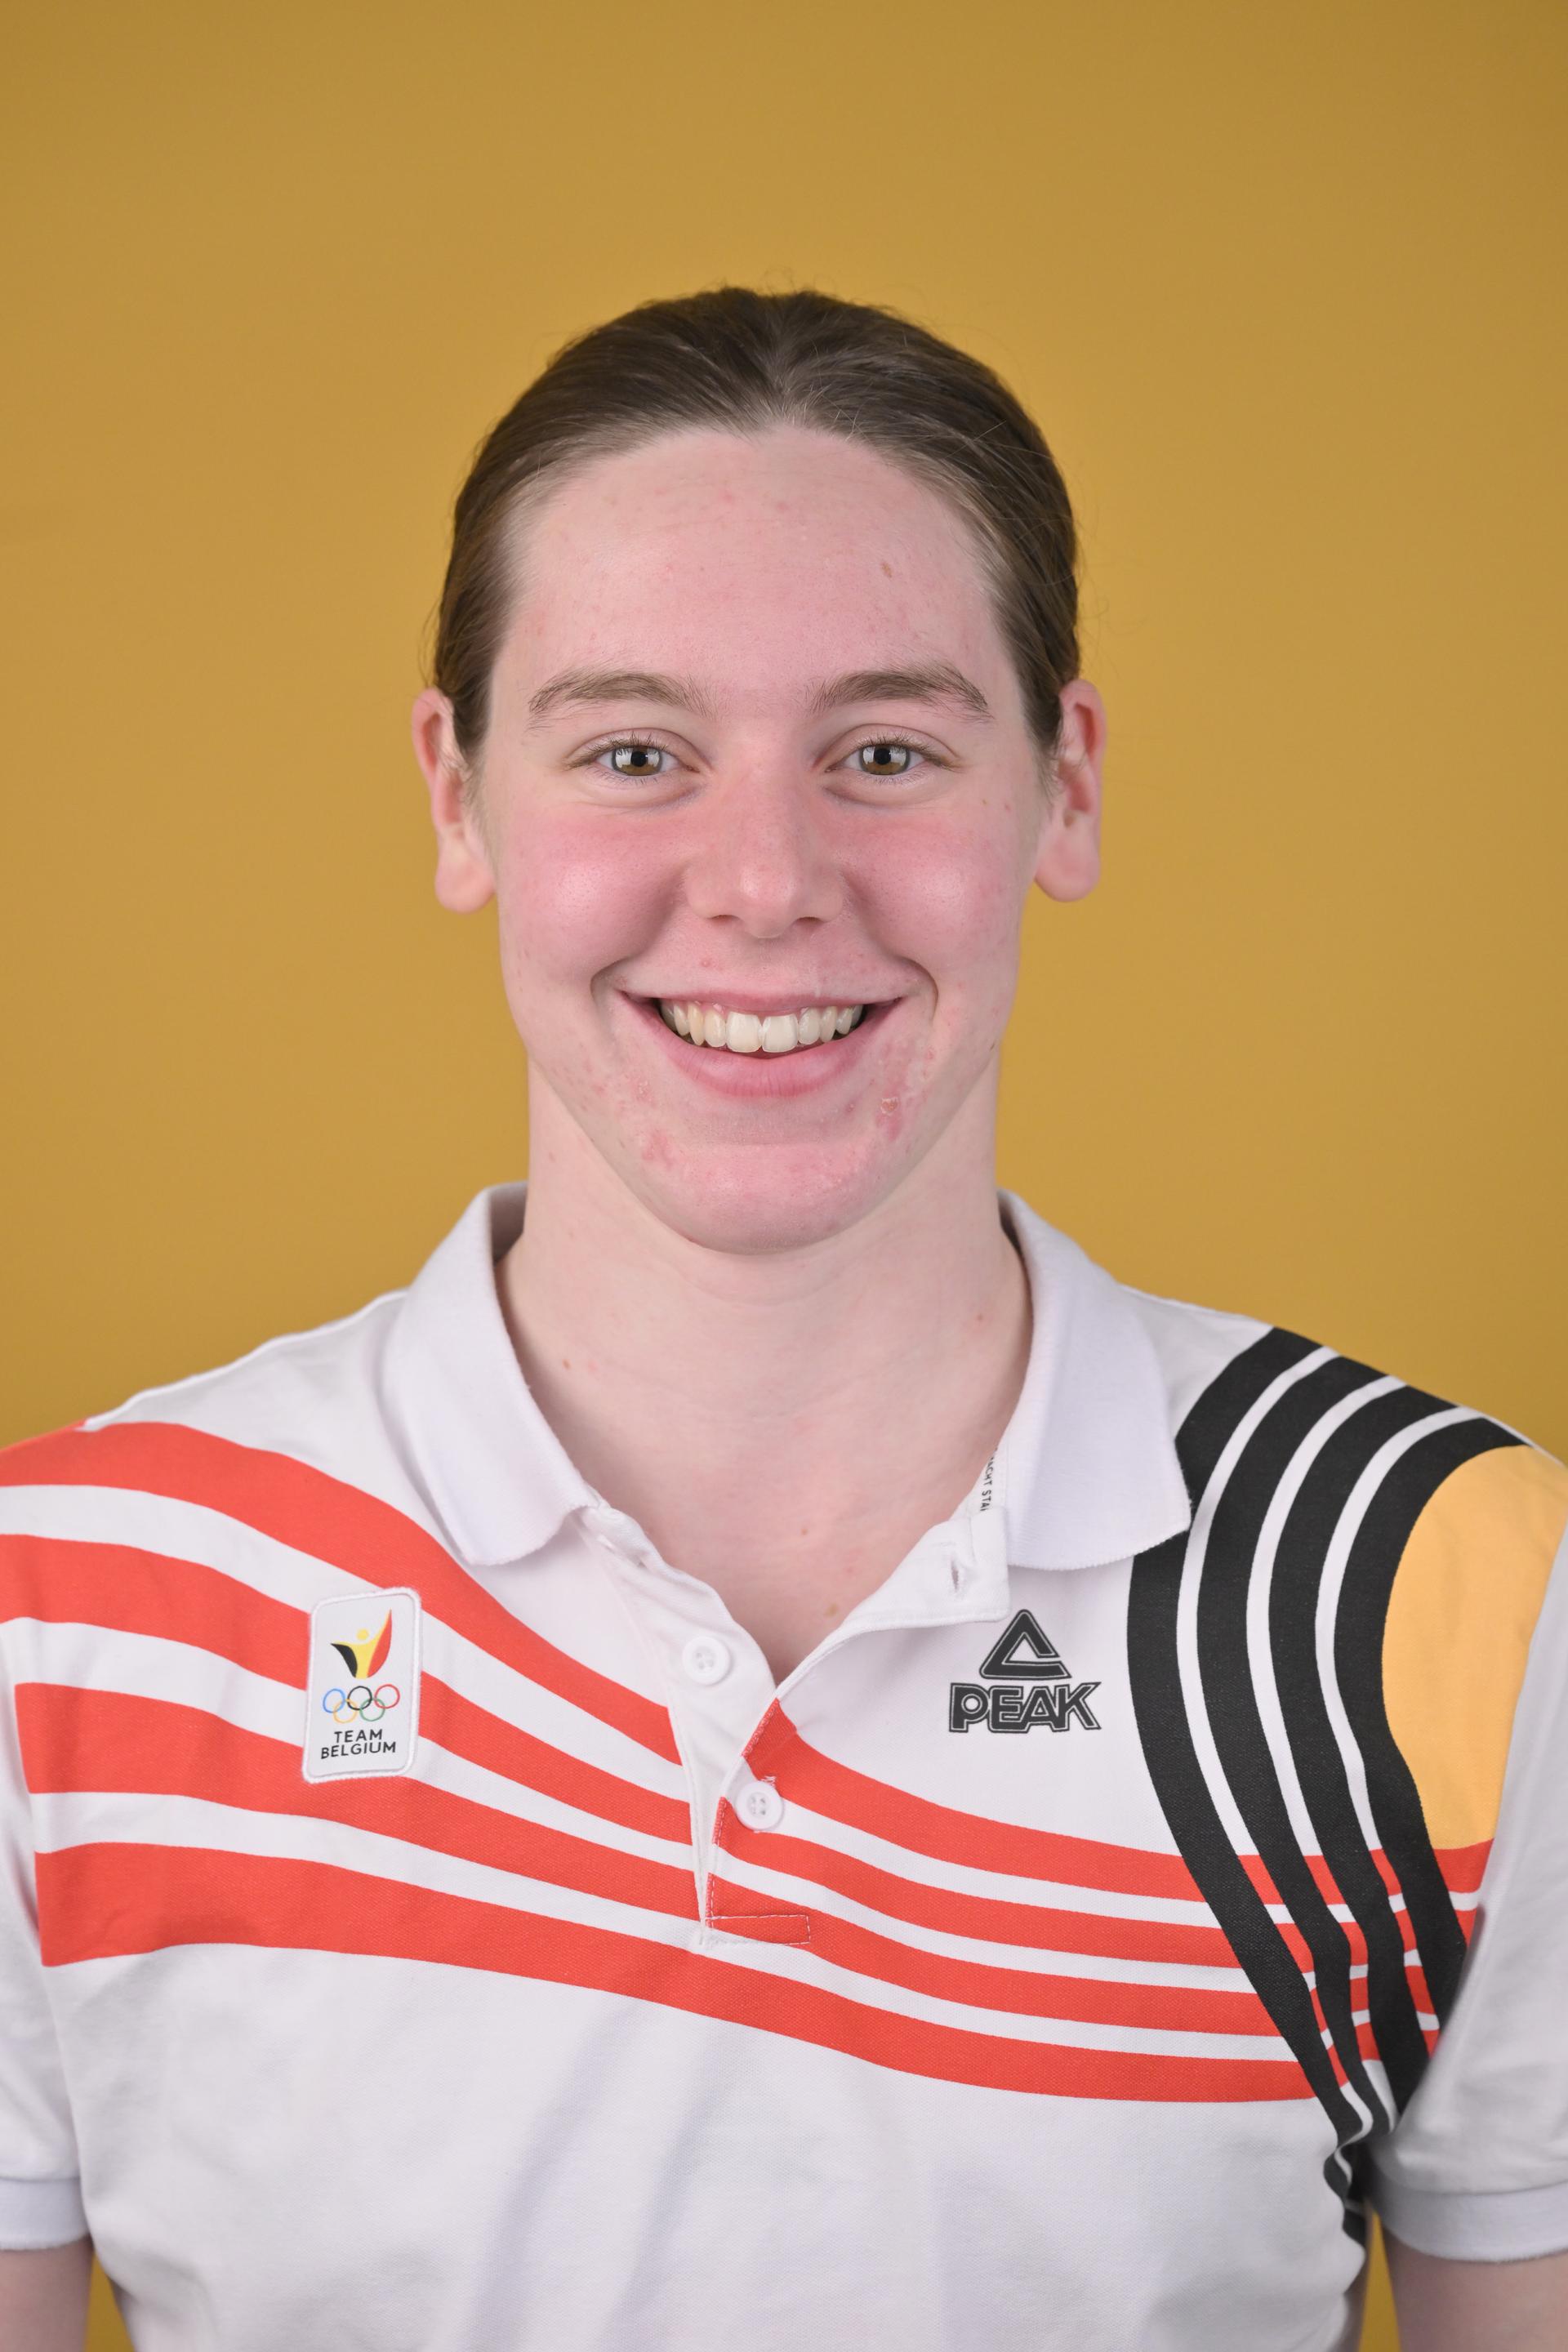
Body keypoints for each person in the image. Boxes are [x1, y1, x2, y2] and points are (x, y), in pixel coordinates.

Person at [0, 287, 1563, 2352]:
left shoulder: (1446, 1588)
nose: (763, 882)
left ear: (1063, 787)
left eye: (885, 751)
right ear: (461, 797)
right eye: (635, 751)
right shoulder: (72, 1604)